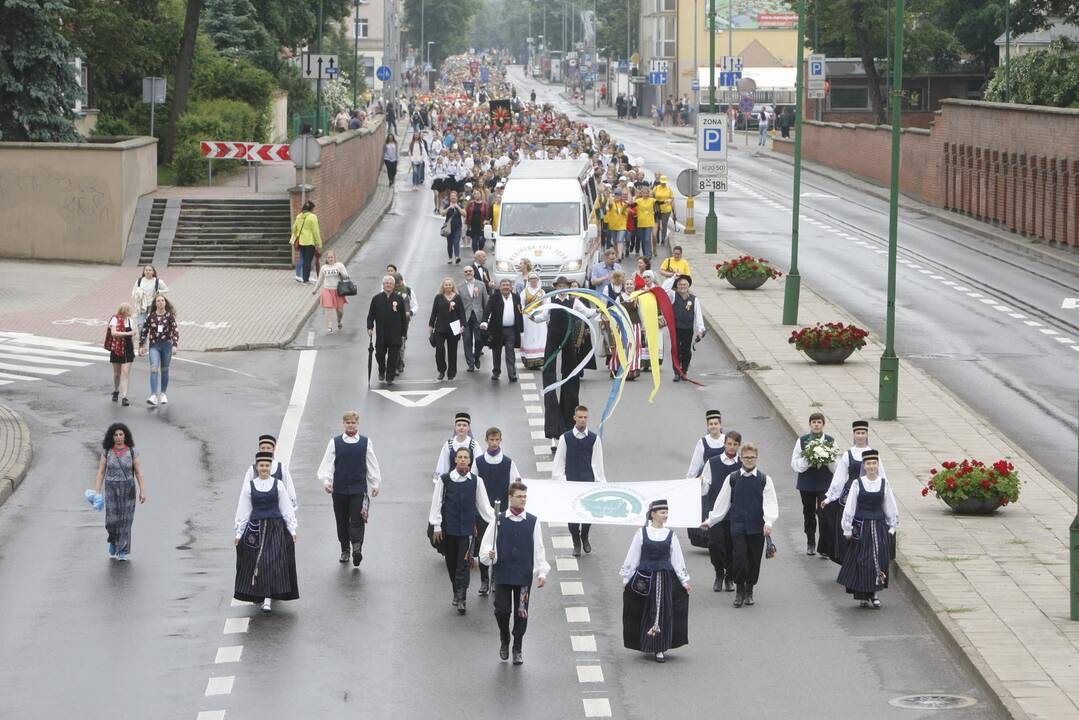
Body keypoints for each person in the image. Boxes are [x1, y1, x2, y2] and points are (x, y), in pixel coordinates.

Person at [479, 480, 549, 664]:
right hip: (502, 573)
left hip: (523, 575)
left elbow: (539, 548)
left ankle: (517, 646)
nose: (523, 500)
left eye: (525, 497)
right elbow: (486, 546)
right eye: (519, 497)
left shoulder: (533, 521)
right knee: (501, 611)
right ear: (510, 498)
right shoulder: (499, 520)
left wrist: (542, 572)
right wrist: (490, 554)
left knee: (521, 612)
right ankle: (505, 638)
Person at [702, 442, 778, 608]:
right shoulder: (733, 478)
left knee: (754, 560)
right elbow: (722, 502)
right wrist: (711, 521)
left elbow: (770, 503)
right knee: (740, 558)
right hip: (737, 526)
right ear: (741, 458)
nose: (749, 460)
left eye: (752, 457)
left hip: (757, 527)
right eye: (746, 457)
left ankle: (749, 591)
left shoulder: (764, 480)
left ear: (756, 458)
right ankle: (739, 591)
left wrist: (769, 521)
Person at [621, 499, 691, 663]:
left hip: (664, 579)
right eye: (662, 512)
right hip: (644, 579)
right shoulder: (641, 534)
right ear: (653, 514)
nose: (665, 515)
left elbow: (677, 560)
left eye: (666, 512)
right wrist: (627, 578)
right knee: (646, 609)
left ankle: (660, 647)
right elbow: (633, 555)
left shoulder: (671, 535)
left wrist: (684, 581)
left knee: (663, 610)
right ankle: (647, 642)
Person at [429, 446, 496, 614]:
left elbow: (484, 506)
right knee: (451, 563)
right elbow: (436, 504)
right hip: (449, 529)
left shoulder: (476, 481)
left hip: (467, 530)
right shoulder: (445, 480)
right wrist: (436, 525)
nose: (463, 459)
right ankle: (456, 590)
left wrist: (497, 520)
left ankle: (462, 597)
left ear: (470, 460)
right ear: (455, 460)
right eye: (460, 457)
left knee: (463, 564)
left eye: (466, 457)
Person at [234, 451, 298, 613]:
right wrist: (239, 532)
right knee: (258, 563)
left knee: (271, 562)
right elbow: (243, 509)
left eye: (267, 465)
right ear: (257, 467)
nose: (264, 468)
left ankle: (267, 598)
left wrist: (292, 529)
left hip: (274, 528)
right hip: (255, 529)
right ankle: (260, 595)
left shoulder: (278, 485)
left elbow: (286, 507)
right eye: (261, 466)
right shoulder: (250, 486)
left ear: (270, 467)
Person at [317, 411, 383, 566]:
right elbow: (328, 463)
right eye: (348, 422)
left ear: (357, 424)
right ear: (343, 424)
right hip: (339, 489)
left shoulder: (365, 442)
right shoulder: (335, 442)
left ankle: (357, 548)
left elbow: (371, 463)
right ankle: (345, 549)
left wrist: (375, 483)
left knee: (357, 519)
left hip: (358, 489)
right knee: (341, 520)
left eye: (353, 422)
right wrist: (327, 481)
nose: (350, 425)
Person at [838, 450, 898, 608]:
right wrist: (847, 528)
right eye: (868, 464)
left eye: (874, 463)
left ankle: (874, 592)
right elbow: (850, 506)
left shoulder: (884, 484)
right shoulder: (858, 483)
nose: (871, 466)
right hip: (861, 526)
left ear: (878, 465)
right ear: (864, 466)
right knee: (863, 560)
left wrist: (892, 525)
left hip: (878, 526)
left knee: (878, 559)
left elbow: (889, 505)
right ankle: (863, 593)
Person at [820, 420, 885, 564]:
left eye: (863, 433)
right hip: (850, 494)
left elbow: (882, 478)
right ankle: (848, 561)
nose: (860, 436)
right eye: (858, 433)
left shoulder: (874, 455)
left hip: (869, 495)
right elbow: (839, 476)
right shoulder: (848, 454)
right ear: (854, 435)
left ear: (867, 434)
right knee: (848, 528)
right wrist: (829, 498)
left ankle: (867, 561)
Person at [552, 406, 607, 557]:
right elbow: (560, 461)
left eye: (585, 417)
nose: (583, 420)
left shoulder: (594, 439)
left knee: (588, 513)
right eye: (580, 417)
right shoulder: (566, 438)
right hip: (571, 482)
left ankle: (585, 535)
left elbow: (597, 462)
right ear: (574, 418)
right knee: (572, 515)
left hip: (588, 482)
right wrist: (561, 480)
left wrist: (600, 482)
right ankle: (576, 539)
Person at [473, 427, 523, 596]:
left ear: (501, 440)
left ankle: (495, 577)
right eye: (491, 440)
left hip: (501, 511)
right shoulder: (478, 462)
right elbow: (473, 484)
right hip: (482, 510)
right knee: (482, 545)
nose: (494, 443)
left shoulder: (508, 462)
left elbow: (515, 486)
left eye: (497, 440)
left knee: (499, 545)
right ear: (486, 440)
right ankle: (484, 580)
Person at [93, 423, 147, 561]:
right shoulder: (107, 451)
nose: (118, 437)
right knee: (111, 521)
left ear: (125, 436)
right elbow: (101, 472)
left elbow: (139, 472)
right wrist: (97, 492)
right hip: (111, 488)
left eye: (121, 434)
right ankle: (112, 540)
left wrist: (142, 490)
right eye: (116, 435)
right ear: (112, 437)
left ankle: (122, 550)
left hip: (128, 489)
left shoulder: (132, 451)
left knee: (125, 521)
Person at [699, 431, 743, 592]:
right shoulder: (713, 462)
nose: (731, 447)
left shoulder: (742, 464)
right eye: (729, 444)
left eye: (735, 444)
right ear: (724, 444)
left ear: (739, 446)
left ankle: (729, 576)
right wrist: (699, 483)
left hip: (736, 514)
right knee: (715, 545)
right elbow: (705, 488)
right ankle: (719, 572)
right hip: (716, 513)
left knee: (733, 547)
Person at [790, 412, 836, 555]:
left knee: (824, 514)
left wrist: (827, 459)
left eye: (819, 422)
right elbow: (794, 463)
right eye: (814, 422)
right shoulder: (802, 441)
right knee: (808, 513)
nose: (816, 425)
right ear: (810, 424)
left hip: (824, 483)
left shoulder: (830, 441)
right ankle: (810, 541)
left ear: (823, 424)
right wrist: (808, 460)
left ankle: (824, 546)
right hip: (807, 483)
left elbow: (836, 465)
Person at [137, 295, 179, 406]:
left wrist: (174, 345)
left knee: (165, 369)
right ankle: (153, 395)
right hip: (154, 346)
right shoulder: (151, 317)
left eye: (162, 300)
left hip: (166, 346)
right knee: (154, 368)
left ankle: (163, 394)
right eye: (158, 301)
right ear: (155, 304)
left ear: (165, 303)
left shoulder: (170, 317)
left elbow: (175, 331)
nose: (160, 302)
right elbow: (144, 331)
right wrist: (141, 345)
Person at [367, 275, 409, 384]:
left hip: (395, 334)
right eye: (387, 283)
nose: (389, 285)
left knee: (393, 358)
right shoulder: (376, 298)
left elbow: (403, 318)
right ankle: (381, 369)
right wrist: (370, 327)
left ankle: (389, 377)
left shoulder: (399, 299)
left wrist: (404, 333)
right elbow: (371, 315)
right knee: (379, 354)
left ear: (394, 285)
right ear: (383, 285)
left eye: (391, 283)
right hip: (381, 334)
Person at [480, 278, 524, 383]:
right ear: (500, 287)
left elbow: (519, 313)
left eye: (507, 285)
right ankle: (496, 371)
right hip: (497, 329)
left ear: (511, 287)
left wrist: (521, 329)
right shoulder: (494, 297)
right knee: (496, 351)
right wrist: (484, 322)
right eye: (503, 285)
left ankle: (512, 374)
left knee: (510, 351)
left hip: (511, 329)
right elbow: (487, 311)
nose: (505, 287)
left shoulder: (516, 297)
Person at [242, 434, 298, 511]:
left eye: (268, 448)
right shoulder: (252, 470)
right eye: (263, 448)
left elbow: (290, 491)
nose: (265, 451)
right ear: (259, 449)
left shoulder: (281, 468)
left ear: (274, 449)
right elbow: (245, 493)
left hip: (277, 514)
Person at [429, 277, 466, 381]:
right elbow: (433, 313)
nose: (448, 286)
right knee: (439, 350)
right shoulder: (438, 297)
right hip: (440, 328)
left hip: (454, 327)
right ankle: (441, 370)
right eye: (446, 285)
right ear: (443, 286)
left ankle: (451, 373)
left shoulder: (457, 298)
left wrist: (463, 325)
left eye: (450, 285)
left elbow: (462, 313)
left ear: (452, 286)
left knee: (452, 351)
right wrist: (430, 327)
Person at [669, 276, 705, 381]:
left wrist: (700, 329)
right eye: (680, 284)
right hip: (675, 328)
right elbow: (664, 289)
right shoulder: (673, 296)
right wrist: (673, 278)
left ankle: (684, 371)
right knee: (675, 349)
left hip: (688, 328)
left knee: (686, 350)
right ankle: (676, 372)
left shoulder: (694, 299)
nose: (682, 286)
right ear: (677, 286)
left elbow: (698, 315)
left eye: (685, 284)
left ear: (688, 286)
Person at [433, 412, 481, 480]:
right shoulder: (449, 444)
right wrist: (441, 482)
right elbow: (443, 465)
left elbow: (477, 466)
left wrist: (473, 481)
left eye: (464, 425)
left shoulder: (474, 445)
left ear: (469, 428)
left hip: (468, 481)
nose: (461, 427)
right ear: (455, 427)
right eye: (459, 425)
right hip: (452, 481)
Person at [311, 249, 350, 334]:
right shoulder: (324, 268)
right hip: (327, 290)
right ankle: (329, 326)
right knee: (328, 309)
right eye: (329, 257)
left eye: (332, 257)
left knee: (340, 311)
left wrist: (341, 272)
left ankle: (339, 320)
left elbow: (347, 277)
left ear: (335, 258)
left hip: (338, 290)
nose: (330, 259)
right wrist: (315, 290)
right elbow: (320, 280)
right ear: (326, 258)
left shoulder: (339, 265)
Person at [106, 303, 136, 406]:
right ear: (124, 310)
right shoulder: (115, 319)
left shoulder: (130, 321)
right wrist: (127, 333)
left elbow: (132, 334)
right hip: (117, 348)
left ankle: (124, 397)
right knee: (117, 373)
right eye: (129, 310)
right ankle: (116, 390)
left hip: (128, 348)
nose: (131, 312)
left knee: (125, 372)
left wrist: (133, 335)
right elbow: (114, 333)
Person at [460, 265, 488, 372]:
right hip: (465, 317)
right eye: (466, 271)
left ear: (473, 272)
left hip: (478, 316)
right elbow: (459, 305)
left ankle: (476, 357)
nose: (468, 273)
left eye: (470, 271)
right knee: (467, 340)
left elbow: (486, 301)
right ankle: (470, 364)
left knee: (479, 339)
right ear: (464, 273)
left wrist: (486, 318)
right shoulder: (460, 286)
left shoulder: (481, 285)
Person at [519, 272, 547, 369]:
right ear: (529, 280)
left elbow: (546, 305)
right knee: (529, 337)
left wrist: (543, 315)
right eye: (532, 279)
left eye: (535, 279)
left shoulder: (542, 292)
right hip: (528, 319)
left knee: (540, 337)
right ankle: (529, 359)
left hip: (540, 319)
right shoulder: (524, 292)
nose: (534, 280)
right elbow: (521, 305)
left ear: (538, 280)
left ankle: (539, 360)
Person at [291, 201, 322, 284]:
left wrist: (299, 234)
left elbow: (294, 229)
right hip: (309, 242)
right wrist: (318, 243)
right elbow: (316, 231)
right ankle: (306, 280)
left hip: (301, 242)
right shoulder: (312, 217)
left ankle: (303, 278)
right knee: (308, 261)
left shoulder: (299, 216)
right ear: (311, 209)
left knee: (304, 260)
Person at [130, 265, 168, 333]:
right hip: (142, 306)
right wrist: (138, 295)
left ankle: (154, 339)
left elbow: (167, 289)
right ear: (144, 271)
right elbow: (133, 292)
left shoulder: (157, 281)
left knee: (154, 324)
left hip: (153, 305)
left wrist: (159, 292)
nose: (148, 272)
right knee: (140, 325)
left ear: (153, 272)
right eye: (146, 270)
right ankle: (143, 341)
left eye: (150, 270)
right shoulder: (139, 281)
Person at [441, 190, 465, 265]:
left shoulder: (460, 205)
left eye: (454, 197)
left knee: (456, 241)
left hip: (458, 226)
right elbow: (442, 213)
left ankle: (457, 257)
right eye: (452, 197)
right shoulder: (447, 205)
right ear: (450, 198)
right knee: (450, 243)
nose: (453, 198)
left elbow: (464, 214)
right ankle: (450, 258)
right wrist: (449, 208)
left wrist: (458, 207)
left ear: (457, 198)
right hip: (449, 227)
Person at [604, 188, 629, 260]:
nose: (617, 197)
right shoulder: (611, 203)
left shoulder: (624, 204)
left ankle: (620, 255)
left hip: (622, 226)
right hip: (613, 226)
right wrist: (609, 195)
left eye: (619, 195)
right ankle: (617, 254)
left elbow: (624, 213)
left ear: (621, 196)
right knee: (615, 242)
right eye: (616, 195)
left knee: (620, 240)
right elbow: (610, 205)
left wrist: (625, 206)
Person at [633, 186, 656, 259]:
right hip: (641, 223)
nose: (645, 194)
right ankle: (645, 253)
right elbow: (632, 205)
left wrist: (666, 201)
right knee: (643, 239)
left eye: (646, 193)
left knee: (647, 239)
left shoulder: (651, 200)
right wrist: (635, 196)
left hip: (649, 223)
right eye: (643, 193)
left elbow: (659, 202)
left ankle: (648, 255)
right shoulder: (639, 200)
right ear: (641, 193)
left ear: (648, 193)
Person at [653, 176, 675, 247]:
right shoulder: (656, 188)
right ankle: (657, 238)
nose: (663, 183)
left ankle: (663, 239)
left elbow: (672, 200)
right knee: (658, 225)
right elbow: (652, 197)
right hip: (657, 209)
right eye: (662, 182)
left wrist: (674, 212)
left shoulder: (669, 189)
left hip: (666, 209)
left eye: (664, 182)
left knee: (664, 224)